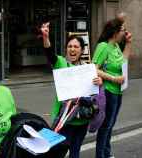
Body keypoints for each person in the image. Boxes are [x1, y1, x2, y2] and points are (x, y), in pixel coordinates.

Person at [41, 22, 102, 158]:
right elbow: (49, 53)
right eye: (69, 46)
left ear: (81, 50)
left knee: (75, 151)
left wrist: (99, 82)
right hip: (65, 120)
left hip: (82, 119)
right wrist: (45, 37)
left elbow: (93, 93)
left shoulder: (88, 68)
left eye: (76, 46)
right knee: (57, 151)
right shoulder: (61, 63)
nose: (72, 49)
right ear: (66, 49)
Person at [92, 18, 132, 158]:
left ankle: (107, 153)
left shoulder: (116, 46)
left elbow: (124, 62)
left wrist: (128, 43)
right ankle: (101, 155)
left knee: (110, 125)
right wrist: (114, 78)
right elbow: (94, 69)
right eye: (123, 30)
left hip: (118, 91)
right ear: (115, 32)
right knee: (105, 126)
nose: (125, 32)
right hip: (108, 91)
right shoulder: (104, 46)